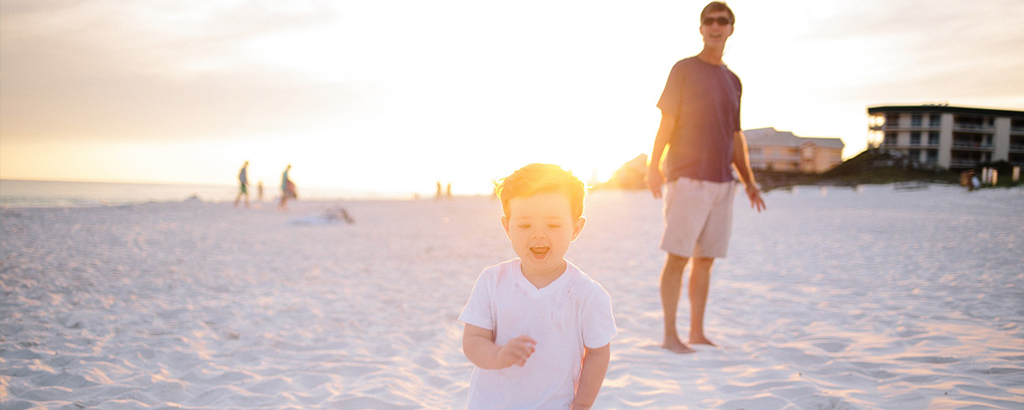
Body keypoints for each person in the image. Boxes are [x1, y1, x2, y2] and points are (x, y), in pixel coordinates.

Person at [645, 1, 766, 354]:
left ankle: (696, 332)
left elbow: (735, 136)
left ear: (731, 29)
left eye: (722, 21)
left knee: (706, 259)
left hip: (722, 182)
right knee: (678, 257)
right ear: (701, 29)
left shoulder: (733, 81)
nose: (715, 26)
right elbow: (666, 121)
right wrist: (654, 166)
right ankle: (670, 335)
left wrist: (748, 181)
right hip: (687, 178)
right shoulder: (683, 69)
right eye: (709, 21)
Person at [460, 163, 617, 410]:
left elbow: (597, 353)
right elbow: (473, 340)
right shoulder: (492, 281)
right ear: (507, 227)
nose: (538, 235)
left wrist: (583, 404)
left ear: (576, 228)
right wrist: (497, 356)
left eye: (553, 225)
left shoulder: (587, 294)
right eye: (524, 225)